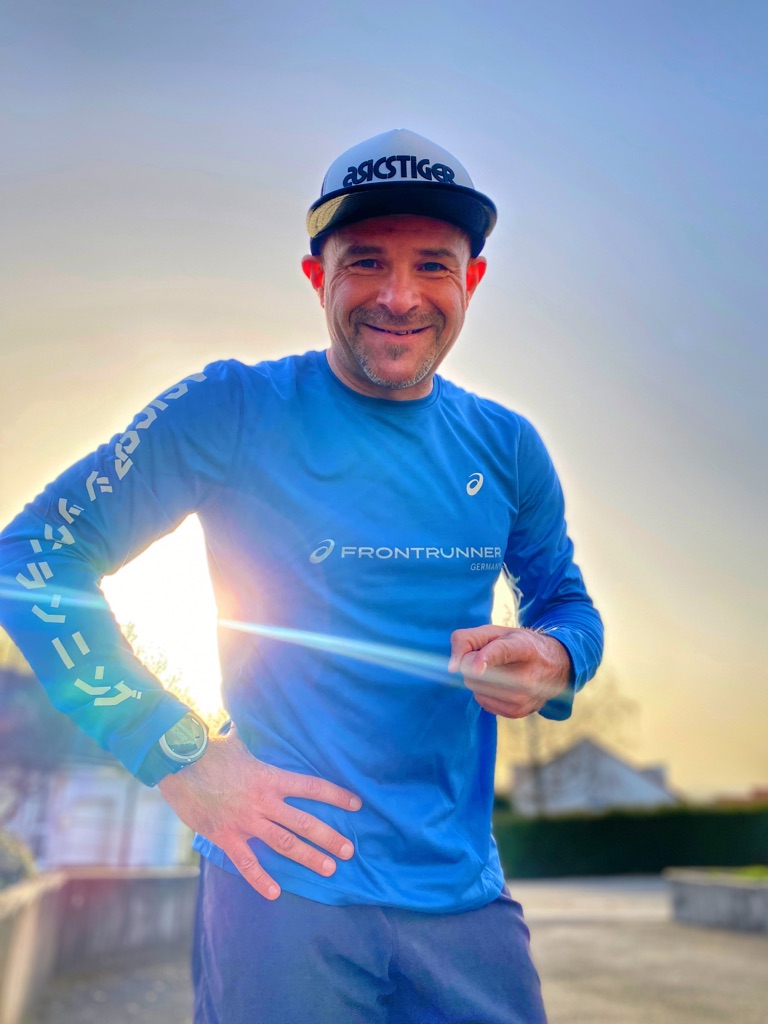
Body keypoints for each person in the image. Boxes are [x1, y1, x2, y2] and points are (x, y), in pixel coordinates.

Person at [0, 128, 603, 1023]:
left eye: (432, 266)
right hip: (281, 891)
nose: (399, 296)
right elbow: (32, 556)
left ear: (471, 281)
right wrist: (175, 754)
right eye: (366, 262)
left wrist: (555, 658)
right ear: (317, 276)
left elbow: (565, 603)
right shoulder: (232, 408)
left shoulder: (508, 446)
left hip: (464, 898)